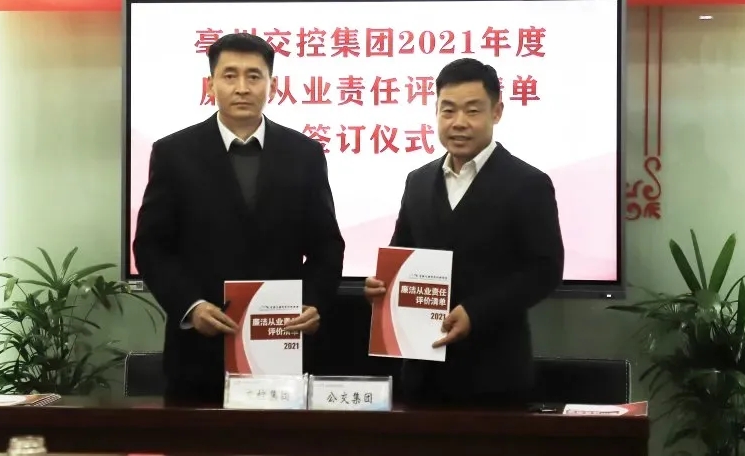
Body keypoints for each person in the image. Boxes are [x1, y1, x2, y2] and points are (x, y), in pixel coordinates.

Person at [133, 32, 345, 403]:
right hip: (200, 352)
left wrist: (314, 303)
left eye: (254, 76)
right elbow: (151, 247)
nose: (242, 87)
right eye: (230, 75)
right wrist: (191, 306)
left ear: (272, 86)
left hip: (281, 346)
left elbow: (326, 246)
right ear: (210, 84)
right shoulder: (173, 153)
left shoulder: (305, 154)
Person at [364, 58, 564, 407]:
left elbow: (544, 270)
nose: (459, 122)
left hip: (494, 377)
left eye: (472, 111)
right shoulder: (418, 181)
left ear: (497, 112)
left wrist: (475, 312)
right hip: (422, 373)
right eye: (448, 110)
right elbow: (403, 252)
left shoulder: (527, 184)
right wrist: (381, 287)